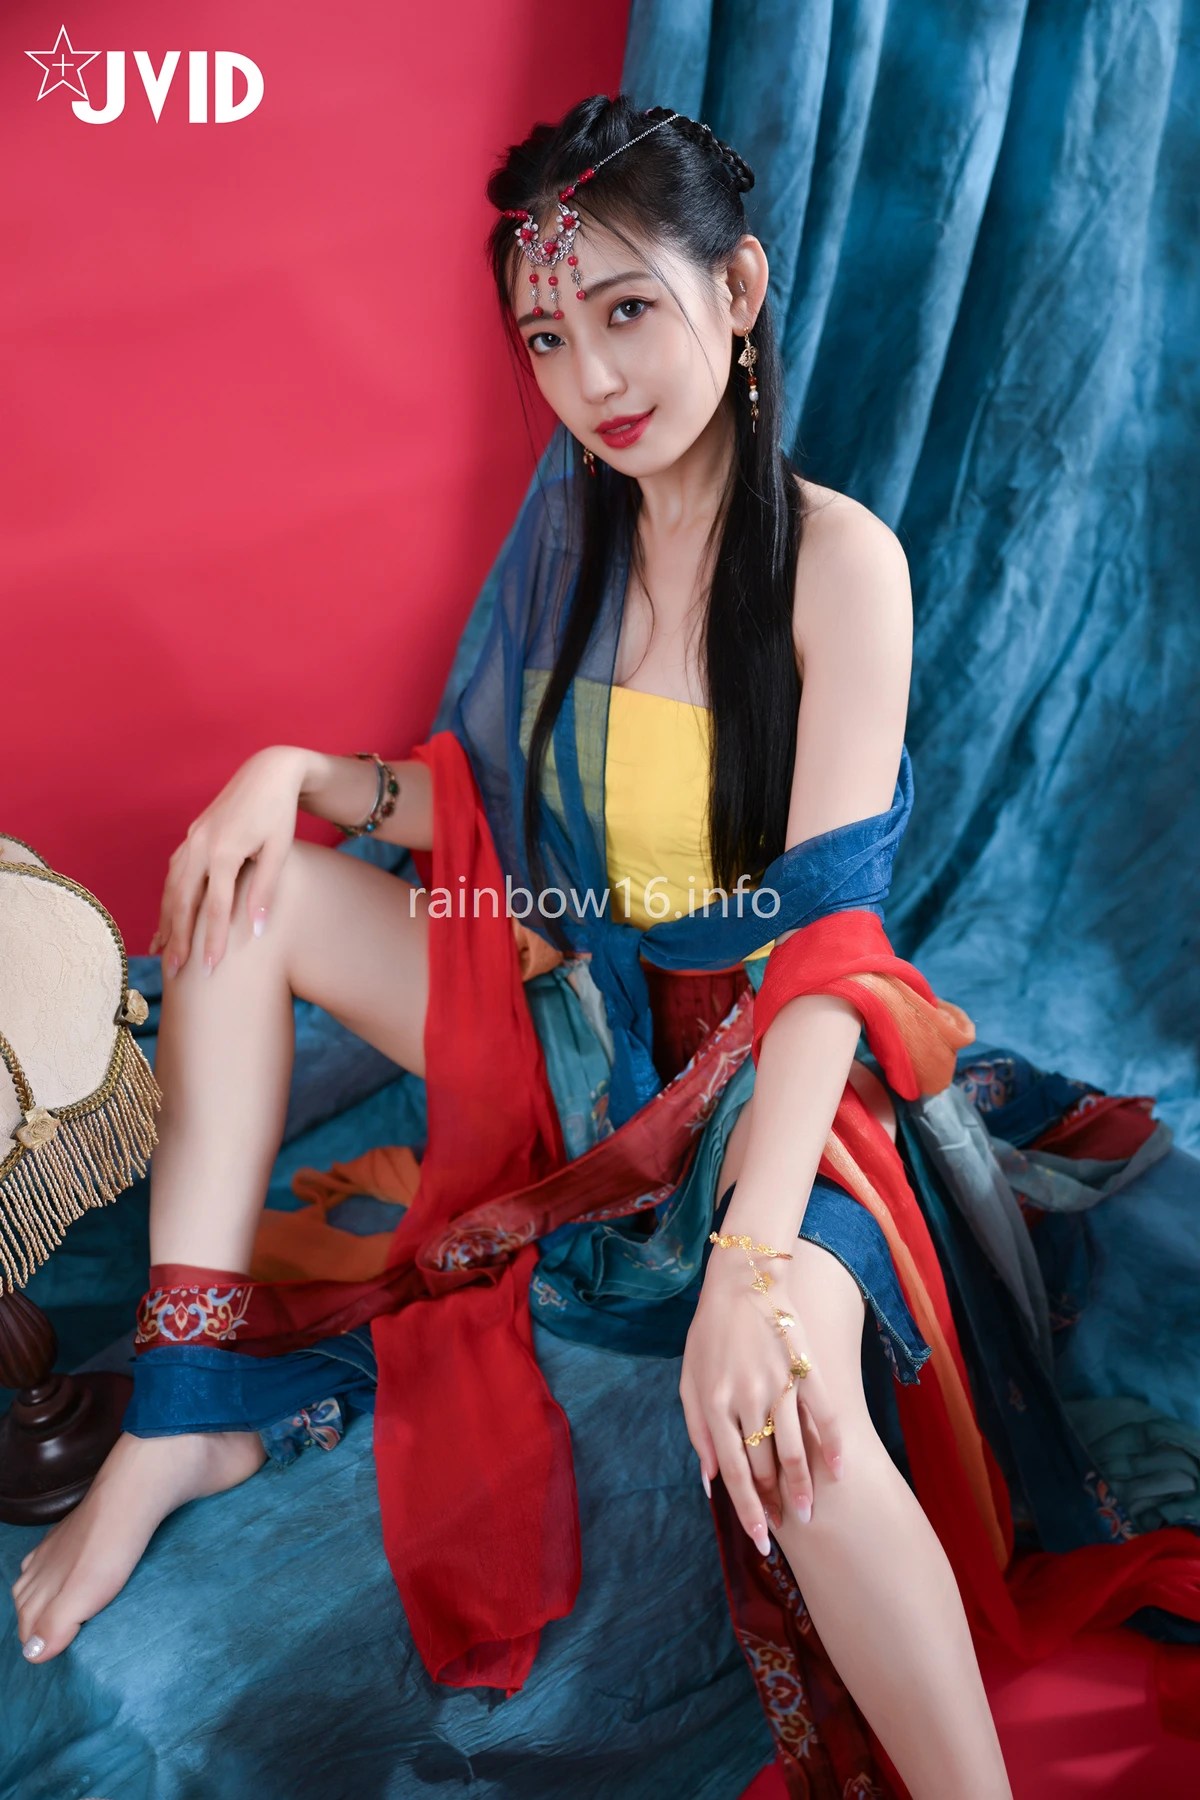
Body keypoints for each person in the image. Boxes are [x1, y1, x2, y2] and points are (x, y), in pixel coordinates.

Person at [10, 92, 1200, 1800]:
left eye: (629, 309)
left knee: (789, 1406)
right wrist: (296, 777)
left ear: (740, 288)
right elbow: (485, 820)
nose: (593, 379)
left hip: (781, 1069)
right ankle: (183, 1414)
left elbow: (830, 940)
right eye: (550, 338)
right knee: (240, 894)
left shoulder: (839, 565)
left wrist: (751, 1261)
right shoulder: (568, 538)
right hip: (578, 1024)